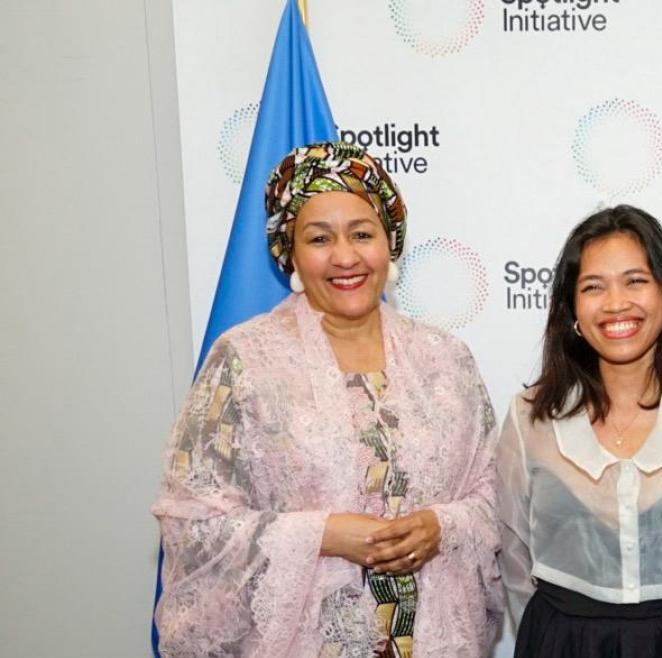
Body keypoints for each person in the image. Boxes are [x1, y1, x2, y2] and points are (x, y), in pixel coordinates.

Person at [152, 142, 501, 657]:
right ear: (290, 253)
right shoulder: (245, 361)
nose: (345, 257)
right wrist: (324, 534)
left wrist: (440, 526)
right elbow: (193, 523)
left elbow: (498, 494)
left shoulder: (446, 359)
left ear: (390, 243)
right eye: (319, 238)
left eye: (362, 233)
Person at [497, 205, 662, 658]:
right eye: (593, 287)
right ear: (572, 310)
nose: (616, 304)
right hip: (561, 644)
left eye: (635, 281)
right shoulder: (528, 419)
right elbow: (514, 554)